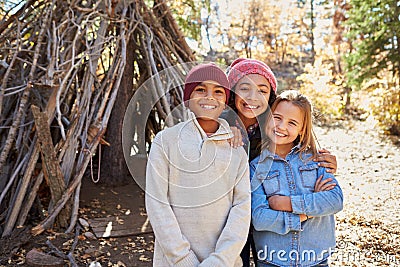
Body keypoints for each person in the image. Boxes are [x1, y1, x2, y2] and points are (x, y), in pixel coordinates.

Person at [224, 58, 338, 267]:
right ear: (232, 93)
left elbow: (333, 198)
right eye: (244, 88)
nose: (252, 97)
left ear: (270, 97)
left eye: (262, 90)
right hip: (227, 215)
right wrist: (224, 127)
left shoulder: (272, 130)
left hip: (282, 240)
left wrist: (291, 204)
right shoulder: (221, 123)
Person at [145, 63, 251, 267]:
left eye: (218, 91)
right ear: (187, 99)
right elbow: (157, 203)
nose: (209, 96)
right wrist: (184, 259)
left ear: (225, 101)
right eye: (200, 89)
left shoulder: (236, 150)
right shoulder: (166, 141)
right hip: (173, 261)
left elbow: (242, 207)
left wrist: (220, 260)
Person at [250, 90, 344, 267]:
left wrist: (286, 203)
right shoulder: (256, 167)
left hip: (316, 259)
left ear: (302, 129)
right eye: (277, 117)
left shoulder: (316, 160)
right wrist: (306, 212)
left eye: (292, 122)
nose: (282, 126)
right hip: (272, 259)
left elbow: (335, 201)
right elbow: (260, 218)